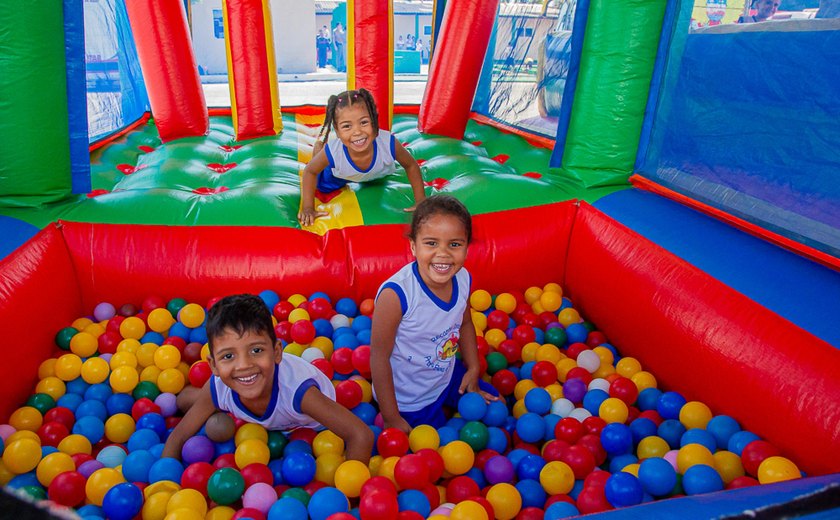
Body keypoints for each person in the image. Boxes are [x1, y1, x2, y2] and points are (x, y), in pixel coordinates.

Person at [162, 294, 373, 462]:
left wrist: (350, 500)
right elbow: (178, 437)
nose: (244, 365)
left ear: (277, 352)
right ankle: (194, 397)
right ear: (214, 365)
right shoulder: (220, 386)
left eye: (256, 350)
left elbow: (360, 435)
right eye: (228, 356)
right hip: (257, 411)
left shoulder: (299, 393)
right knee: (185, 402)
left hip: (307, 427)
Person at [370, 195, 499, 433]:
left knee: (496, 407)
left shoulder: (462, 278)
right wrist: (391, 417)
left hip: (446, 375)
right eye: (431, 243)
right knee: (440, 446)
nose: (443, 254)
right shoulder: (397, 295)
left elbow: (466, 323)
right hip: (409, 397)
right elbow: (378, 357)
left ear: (467, 247)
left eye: (454, 244)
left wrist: (472, 368)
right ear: (413, 246)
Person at [298, 89, 426, 226]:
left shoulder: (388, 143)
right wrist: (308, 208)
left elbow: (411, 165)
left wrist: (420, 201)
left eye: (364, 122)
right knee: (322, 185)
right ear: (337, 130)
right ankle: (318, 148)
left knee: (375, 177)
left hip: (375, 174)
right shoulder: (334, 152)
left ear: (374, 120)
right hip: (340, 174)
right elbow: (310, 171)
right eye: (347, 126)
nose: (357, 132)